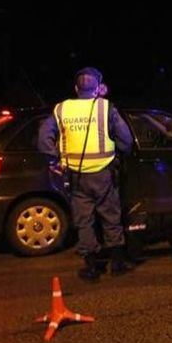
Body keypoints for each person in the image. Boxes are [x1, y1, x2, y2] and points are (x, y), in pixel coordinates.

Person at [38, 67, 134, 282]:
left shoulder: (62, 109)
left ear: (76, 88)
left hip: (75, 176)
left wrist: (54, 160)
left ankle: (91, 268)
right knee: (111, 217)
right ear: (98, 88)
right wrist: (118, 153)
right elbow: (126, 140)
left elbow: (44, 137)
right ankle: (117, 264)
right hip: (104, 173)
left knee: (84, 221)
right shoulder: (106, 107)